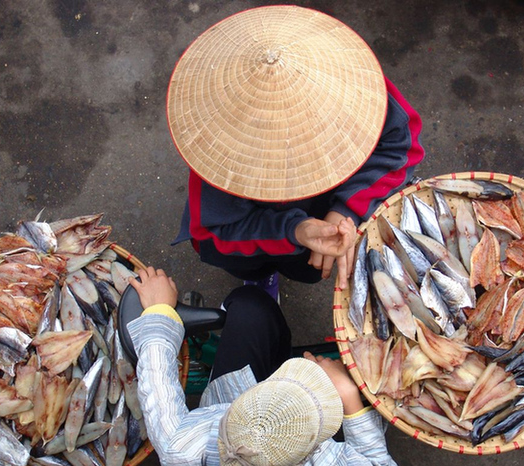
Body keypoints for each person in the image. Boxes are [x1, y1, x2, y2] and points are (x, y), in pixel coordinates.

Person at [168, 5, 424, 300]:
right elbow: (219, 231)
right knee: (252, 265)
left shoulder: (358, 87)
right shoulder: (218, 155)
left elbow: (399, 143)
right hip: (258, 230)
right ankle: (261, 279)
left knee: (307, 268)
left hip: (325, 208)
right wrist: (295, 230)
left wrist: (344, 211)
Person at [128, 265, 400, 466]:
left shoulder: (181, 447)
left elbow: (156, 381)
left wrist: (159, 310)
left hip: (226, 399)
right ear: (310, 453)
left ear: (242, 403)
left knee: (249, 304)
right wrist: (350, 400)